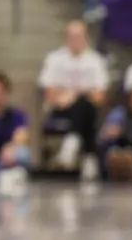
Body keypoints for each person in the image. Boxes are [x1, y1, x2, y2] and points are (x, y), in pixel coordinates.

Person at [37, 20, 108, 172]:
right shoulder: (54, 59)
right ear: (66, 38)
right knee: (82, 107)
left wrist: (75, 94)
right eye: (72, 37)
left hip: (87, 108)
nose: (75, 41)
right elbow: (48, 93)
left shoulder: (95, 61)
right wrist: (68, 97)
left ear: (86, 38)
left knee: (84, 105)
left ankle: (71, 144)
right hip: (60, 107)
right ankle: (89, 156)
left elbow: (100, 97)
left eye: (79, 37)